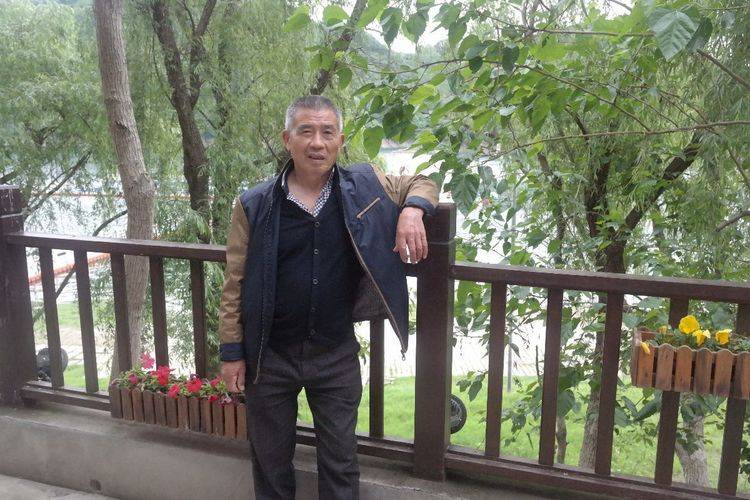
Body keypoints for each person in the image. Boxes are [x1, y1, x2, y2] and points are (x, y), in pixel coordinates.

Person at [218, 95, 438, 500]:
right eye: (306, 131)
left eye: (327, 132)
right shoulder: (254, 203)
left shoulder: (365, 187)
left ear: (341, 140)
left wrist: (412, 211)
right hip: (270, 355)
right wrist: (232, 352)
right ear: (287, 139)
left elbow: (422, 182)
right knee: (270, 463)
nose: (317, 142)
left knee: (340, 463)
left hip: (335, 354)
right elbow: (235, 282)